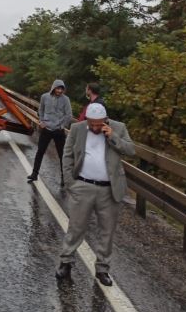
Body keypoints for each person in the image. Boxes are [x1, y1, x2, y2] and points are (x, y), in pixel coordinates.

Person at [55, 103, 135, 286]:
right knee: (76, 227)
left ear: (105, 121)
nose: (95, 128)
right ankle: (66, 262)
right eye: (92, 124)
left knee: (107, 231)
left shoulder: (119, 128)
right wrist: (70, 183)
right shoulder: (77, 129)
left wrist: (112, 136)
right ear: (87, 120)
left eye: (99, 125)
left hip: (109, 190)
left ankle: (102, 269)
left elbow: (131, 150)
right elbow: (67, 155)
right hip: (82, 186)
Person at [28, 79, 72, 185]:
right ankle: (34, 174)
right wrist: (41, 121)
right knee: (40, 152)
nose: (60, 91)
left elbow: (69, 114)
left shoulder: (66, 99)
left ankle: (63, 177)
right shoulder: (45, 97)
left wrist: (62, 126)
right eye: (58, 88)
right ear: (53, 88)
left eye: (62, 89)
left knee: (62, 154)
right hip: (46, 128)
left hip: (58, 130)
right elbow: (41, 110)